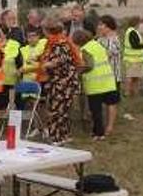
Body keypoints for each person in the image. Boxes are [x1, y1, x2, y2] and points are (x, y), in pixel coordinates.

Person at [39, 16, 82, 145]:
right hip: (62, 81)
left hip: (62, 83)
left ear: (47, 30)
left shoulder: (59, 43)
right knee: (62, 110)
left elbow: (58, 60)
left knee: (56, 110)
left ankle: (56, 137)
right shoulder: (59, 41)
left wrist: (45, 65)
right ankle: (63, 135)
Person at [72, 30, 119, 140]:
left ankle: (98, 133)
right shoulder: (98, 45)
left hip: (95, 84)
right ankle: (109, 127)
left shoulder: (85, 50)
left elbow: (89, 65)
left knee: (96, 110)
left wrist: (77, 71)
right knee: (110, 104)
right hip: (108, 81)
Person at [96, 15, 123, 92]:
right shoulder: (99, 40)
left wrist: (110, 36)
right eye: (98, 25)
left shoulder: (115, 40)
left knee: (112, 101)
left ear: (108, 26)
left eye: (101, 25)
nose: (99, 27)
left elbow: (108, 54)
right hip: (101, 76)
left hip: (113, 77)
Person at [122, 16, 143, 99]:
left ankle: (134, 92)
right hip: (133, 59)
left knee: (135, 77)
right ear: (136, 23)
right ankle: (127, 92)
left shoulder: (132, 31)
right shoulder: (132, 32)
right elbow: (134, 45)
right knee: (131, 77)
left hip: (135, 59)